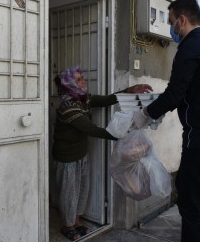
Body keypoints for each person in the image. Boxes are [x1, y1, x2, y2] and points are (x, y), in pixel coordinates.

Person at [132, 0, 200, 242]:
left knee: (191, 206)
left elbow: (175, 93)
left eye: (171, 22)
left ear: (182, 20)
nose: (171, 29)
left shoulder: (190, 48)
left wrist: (145, 114)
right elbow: (189, 92)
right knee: (186, 190)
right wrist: (160, 109)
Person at [52, 65, 152, 241]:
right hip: (66, 158)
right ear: (70, 85)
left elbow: (107, 100)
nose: (84, 81)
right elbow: (91, 129)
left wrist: (130, 90)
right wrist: (123, 136)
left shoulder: (83, 99)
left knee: (82, 189)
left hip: (81, 154)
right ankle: (67, 226)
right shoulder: (68, 107)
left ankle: (76, 221)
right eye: (80, 79)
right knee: (69, 192)